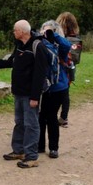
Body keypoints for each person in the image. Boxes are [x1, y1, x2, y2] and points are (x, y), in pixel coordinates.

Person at [0, 20, 52, 169]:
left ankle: (31, 157)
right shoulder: (20, 45)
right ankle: (19, 150)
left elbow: (40, 74)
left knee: (31, 124)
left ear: (23, 31)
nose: (13, 32)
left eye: (15, 30)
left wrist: (35, 97)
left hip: (30, 94)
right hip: (19, 91)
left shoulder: (38, 46)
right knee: (19, 122)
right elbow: (12, 61)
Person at [37, 20, 71, 159]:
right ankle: (39, 145)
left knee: (51, 117)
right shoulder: (40, 44)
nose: (46, 32)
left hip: (57, 87)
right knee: (40, 117)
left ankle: (53, 148)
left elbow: (67, 45)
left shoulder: (59, 46)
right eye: (44, 29)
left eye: (49, 30)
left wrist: (53, 34)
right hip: (43, 86)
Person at [55, 11, 81, 126]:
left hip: (61, 66)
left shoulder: (60, 38)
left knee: (57, 92)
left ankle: (54, 115)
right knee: (66, 93)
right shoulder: (75, 38)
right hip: (71, 67)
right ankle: (64, 117)